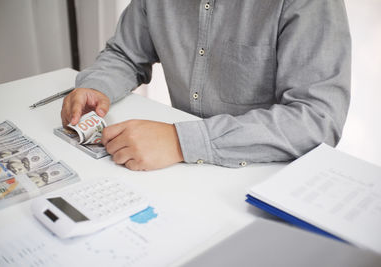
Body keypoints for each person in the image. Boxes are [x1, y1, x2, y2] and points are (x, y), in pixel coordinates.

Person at [61, 0, 351, 171]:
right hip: (177, 170)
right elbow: (125, 54)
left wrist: (181, 141)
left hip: (263, 175)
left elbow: (317, 120)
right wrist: (99, 85)